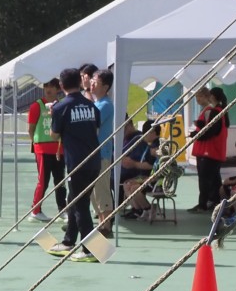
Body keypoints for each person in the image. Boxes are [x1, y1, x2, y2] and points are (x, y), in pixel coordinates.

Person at [49, 67, 102, 260]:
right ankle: (69, 241)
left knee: (80, 204)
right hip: (94, 160)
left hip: (77, 163)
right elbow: (95, 131)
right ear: (80, 83)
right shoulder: (91, 106)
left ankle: (91, 250)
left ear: (61, 86)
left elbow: (54, 135)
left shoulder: (60, 108)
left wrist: (53, 116)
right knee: (75, 200)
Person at [187, 87, 229, 213]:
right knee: (214, 179)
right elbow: (211, 128)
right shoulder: (220, 111)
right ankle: (216, 201)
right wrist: (199, 128)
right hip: (214, 151)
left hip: (209, 151)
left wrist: (196, 134)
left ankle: (203, 204)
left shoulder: (214, 111)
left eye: (207, 95)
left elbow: (211, 131)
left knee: (205, 179)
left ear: (212, 97)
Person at [28, 77, 65, 220]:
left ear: (58, 89)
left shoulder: (61, 106)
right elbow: (31, 129)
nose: (48, 89)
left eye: (52, 86)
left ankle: (63, 209)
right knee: (43, 180)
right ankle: (36, 210)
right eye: (46, 86)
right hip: (42, 150)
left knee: (60, 180)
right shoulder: (36, 106)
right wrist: (36, 144)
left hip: (58, 149)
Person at [90, 68, 117, 236]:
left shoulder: (105, 105)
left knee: (101, 190)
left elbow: (92, 124)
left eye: (96, 82)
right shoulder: (97, 103)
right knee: (94, 191)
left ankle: (106, 224)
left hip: (102, 154)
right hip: (95, 153)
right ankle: (102, 222)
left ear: (105, 87)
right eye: (92, 80)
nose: (92, 84)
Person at [118, 118, 160, 217]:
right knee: (127, 184)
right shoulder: (150, 145)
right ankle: (137, 209)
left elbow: (150, 166)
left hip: (154, 179)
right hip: (146, 177)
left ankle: (148, 208)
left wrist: (133, 164)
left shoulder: (156, 146)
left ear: (152, 132)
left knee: (134, 187)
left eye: (146, 133)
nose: (144, 135)